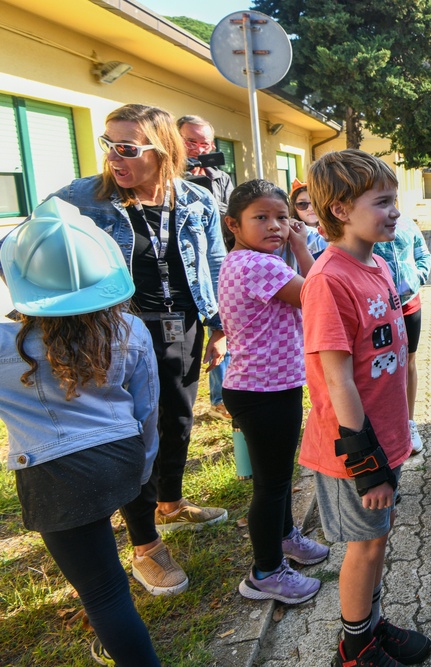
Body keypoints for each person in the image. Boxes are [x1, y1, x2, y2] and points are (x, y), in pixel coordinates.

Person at [49, 103, 229, 598]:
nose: (114, 157)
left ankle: (168, 505)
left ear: (163, 150)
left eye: (126, 148)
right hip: (117, 334)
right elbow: (29, 250)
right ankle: (146, 548)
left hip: (182, 328)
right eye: (108, 144)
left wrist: (219, 326)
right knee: (135, 433)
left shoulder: (196, 201)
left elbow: (214, 263)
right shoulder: (81, 199)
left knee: (177, 420)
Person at [0, 197, 161, 665]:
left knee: (105, 594)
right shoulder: (129, 327)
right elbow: (148, 408)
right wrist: (142, 466)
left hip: (54, 478)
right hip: (123, 460)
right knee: (100, 546)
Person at [298, 149, 431, 667]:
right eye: (382, 202)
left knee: (378, 540)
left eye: (394, 199)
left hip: (386, 439)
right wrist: (367, 461)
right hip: (354, 450)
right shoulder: (329, 280)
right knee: (364, 547)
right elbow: (336, 382)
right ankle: (354, 648)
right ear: (339, 210)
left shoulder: (376, 262)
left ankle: (371, 625)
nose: (394, 211)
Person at [217, 179, 329, 604]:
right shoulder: (259, 266)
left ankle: (285, 538)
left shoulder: (243, 259)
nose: (275, 226)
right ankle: (265, 573)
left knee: (275, 481)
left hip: (263, 386)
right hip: (263, 391)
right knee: (271, 485)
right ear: (233, 224)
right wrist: (303, 249)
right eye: (260, 218)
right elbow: (317, 296)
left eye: (282, 217)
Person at [177, 115, 235, 420]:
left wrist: (207, 193)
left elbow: (230, 215)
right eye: (192, 141)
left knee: (222, 325)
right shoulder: (167, 175)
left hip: (215, 261)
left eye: (205, 142)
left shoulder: (220, 177)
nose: (199, 148)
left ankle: (220, 398)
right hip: (182, 269)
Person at [373, 215, 431, 454]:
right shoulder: (366, 225)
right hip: (378, 309)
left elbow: (423, 254)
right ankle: (382, 427)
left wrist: (416, 279)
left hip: (409, 306)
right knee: (380, 366)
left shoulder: (408, 224)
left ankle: (409, 423)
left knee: (408, 362)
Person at [289, 179, 329, 257]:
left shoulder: (338, 230)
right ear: (294, 208)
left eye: (315, 203)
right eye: (302, 204)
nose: (310, 208)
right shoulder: (288, 232)